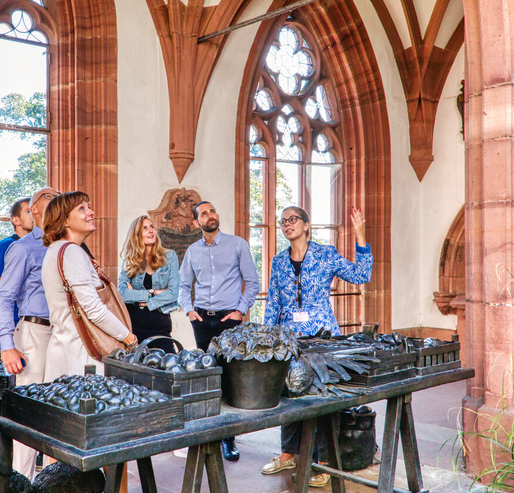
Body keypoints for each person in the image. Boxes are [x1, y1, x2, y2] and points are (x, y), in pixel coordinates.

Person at [261, 206, 372, 488]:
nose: (287, 224)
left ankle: (325, 461)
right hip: (289, 337)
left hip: (322, 336)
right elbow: (273, 301)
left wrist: (360, 237)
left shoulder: (326, 254)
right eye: (283, 221)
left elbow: (361, 275)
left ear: (307, 225)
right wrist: (268, 338)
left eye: (293, 219)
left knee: (323, 398)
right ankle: (289, 453)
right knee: (290, 394)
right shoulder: (277, 261)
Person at [178, 200, 259, 462]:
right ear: (195, 223)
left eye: (213, 211)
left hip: (229, 319)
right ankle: (207, 433)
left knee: (229, 376)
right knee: (206, 375)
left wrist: (240, 311)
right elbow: (183, 286)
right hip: (202, 320)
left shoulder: (237, 245)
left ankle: (228, 438)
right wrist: (190, 311)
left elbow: (253, 282)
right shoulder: (192, 251)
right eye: (204, 214)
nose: (210, 215)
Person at [0, 187, 59, 479]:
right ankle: (22, 481)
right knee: (29, 417)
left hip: (66, 336)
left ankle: (59, 482)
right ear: (32, 211)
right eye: (47, 196)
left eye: (58, 195)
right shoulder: (21, 248)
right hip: (34, 333)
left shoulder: (69, 246)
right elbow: (3, 298)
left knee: (61, 413)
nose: (55, 198)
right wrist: (7, 345)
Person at [41, 191, 138, 380]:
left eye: (89, 207)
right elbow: (94, 309)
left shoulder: (55, 250)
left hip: (63, 348)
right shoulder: (71, 252)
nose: (91, 212)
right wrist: (128, 338)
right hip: (82, 355)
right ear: (65, 220)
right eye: (82, 209)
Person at [117, 216, 180, 354]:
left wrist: (140, 300)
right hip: (134, 328)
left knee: (168, 366)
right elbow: (121, 293)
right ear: (136, 234)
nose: (150, 231)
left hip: (160, 327)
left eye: (152, 227)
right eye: (144, 228)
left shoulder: (170, 257)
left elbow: (174, 293)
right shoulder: (129, 260)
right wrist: (153, 293)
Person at [0, 197, 36, 352]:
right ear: (16, 220)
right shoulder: (6, 246)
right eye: (28, 211)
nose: (33, 215)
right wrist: (5, 337)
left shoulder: (38, 247)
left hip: (29, 330)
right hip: (9, 330)